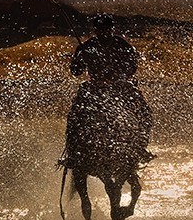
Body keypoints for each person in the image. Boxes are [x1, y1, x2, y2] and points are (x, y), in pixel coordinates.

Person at [63, 13, 154, 165]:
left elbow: (132, 67)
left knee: (145, 112)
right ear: (96, 30)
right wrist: (80, 60)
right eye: (100, 29)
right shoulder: (87, 47)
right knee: (74, 115)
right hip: (94, 86)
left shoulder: (123, 46)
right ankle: (73, 152)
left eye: (106, 29)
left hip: (120, 86)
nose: (103, 32)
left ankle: (139, 147)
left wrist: (118, 76)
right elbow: (76, 71)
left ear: (112, 29)